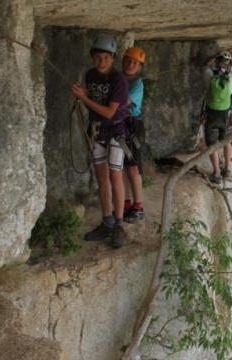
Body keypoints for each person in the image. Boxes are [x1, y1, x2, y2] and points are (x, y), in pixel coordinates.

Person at [71, 34, 129, 248]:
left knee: (115, 176)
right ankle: (107, 221)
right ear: (92, 56)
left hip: (114, 132)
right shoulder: (90, 75)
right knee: (102, 179)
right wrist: (83, 93)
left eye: (106, 57)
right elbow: (95, 101)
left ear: (112, 58)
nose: (101, 61)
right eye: (98, 57)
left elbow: (108, 112)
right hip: (96, 132)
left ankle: (119, 225)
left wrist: (84, 98)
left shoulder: (119, 80)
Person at [203, 52, 232, 184]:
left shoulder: (209, 75)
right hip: (226, 114)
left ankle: (216, 173)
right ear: (227, 64)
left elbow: (205, 66)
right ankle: (227, 169)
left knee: (212, 144)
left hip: (211, 114)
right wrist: (231, 61)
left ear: (216, 63)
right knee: (226, 141)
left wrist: (213, 58)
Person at [121, 46, 146, 223]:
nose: (131, 64)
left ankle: (138, 206)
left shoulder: (137, 84)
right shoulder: (119, 79)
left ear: (139, 67)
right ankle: (126, 203)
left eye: (135, 63)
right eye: (128, 60)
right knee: (120, 167)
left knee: (132, 166)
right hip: (119, 125)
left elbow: (124, 102)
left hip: (132, 126)